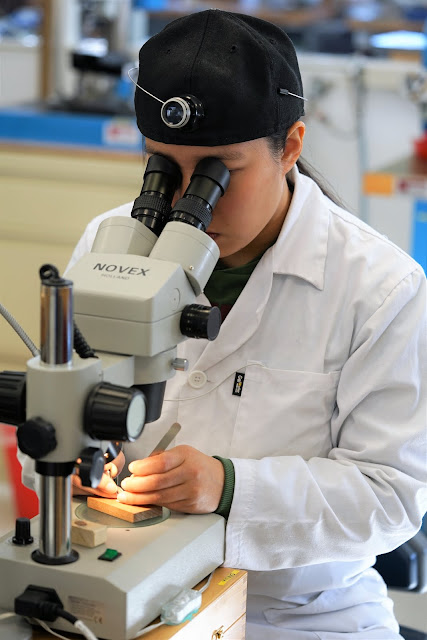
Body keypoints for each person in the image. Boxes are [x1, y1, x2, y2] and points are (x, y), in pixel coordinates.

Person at [22, 10, 426, 640]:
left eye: (218, 174)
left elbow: (392, 497)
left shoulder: (381, 287)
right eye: (163, 168)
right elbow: (54, 413)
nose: (188, 202)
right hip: (130, 589)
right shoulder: (110, 244)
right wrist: (70, 456)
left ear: (291, 146)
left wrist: (230, 486)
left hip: (298, 617)